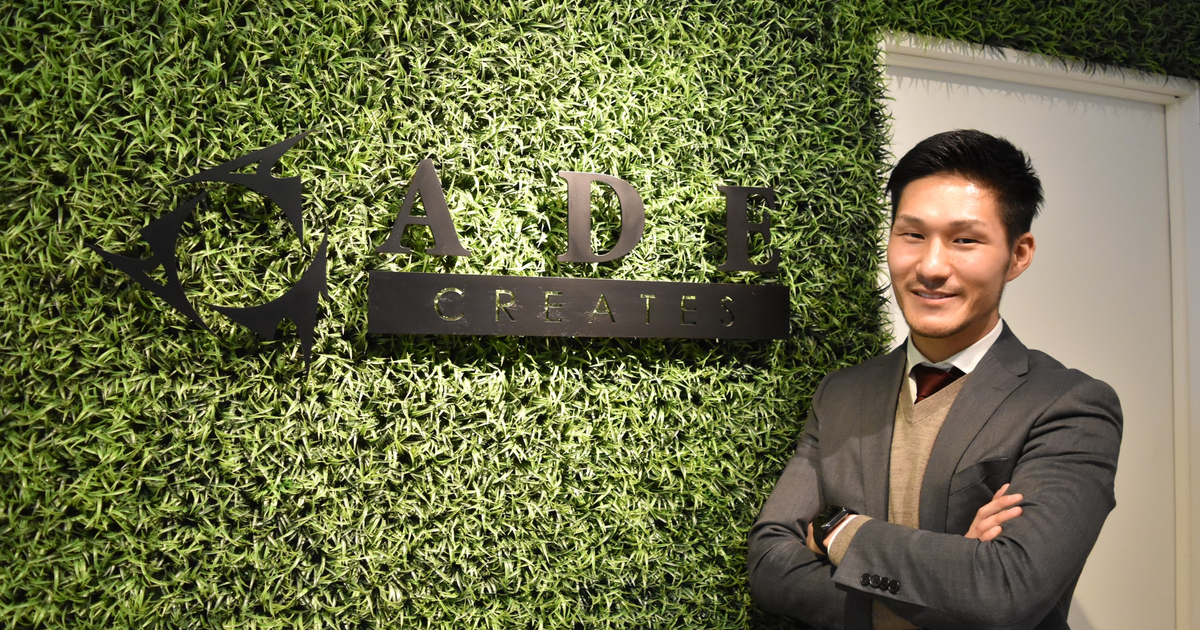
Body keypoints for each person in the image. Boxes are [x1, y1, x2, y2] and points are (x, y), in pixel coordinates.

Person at [747, 129, 1122, 630]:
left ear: (1018, 254)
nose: (931, 266)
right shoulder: (842, 394)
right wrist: (951, 575)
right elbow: (770, 562)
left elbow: (1006, 590)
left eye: (965, 240)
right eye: (912, 235)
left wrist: (837, 529)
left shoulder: (1069, 405)